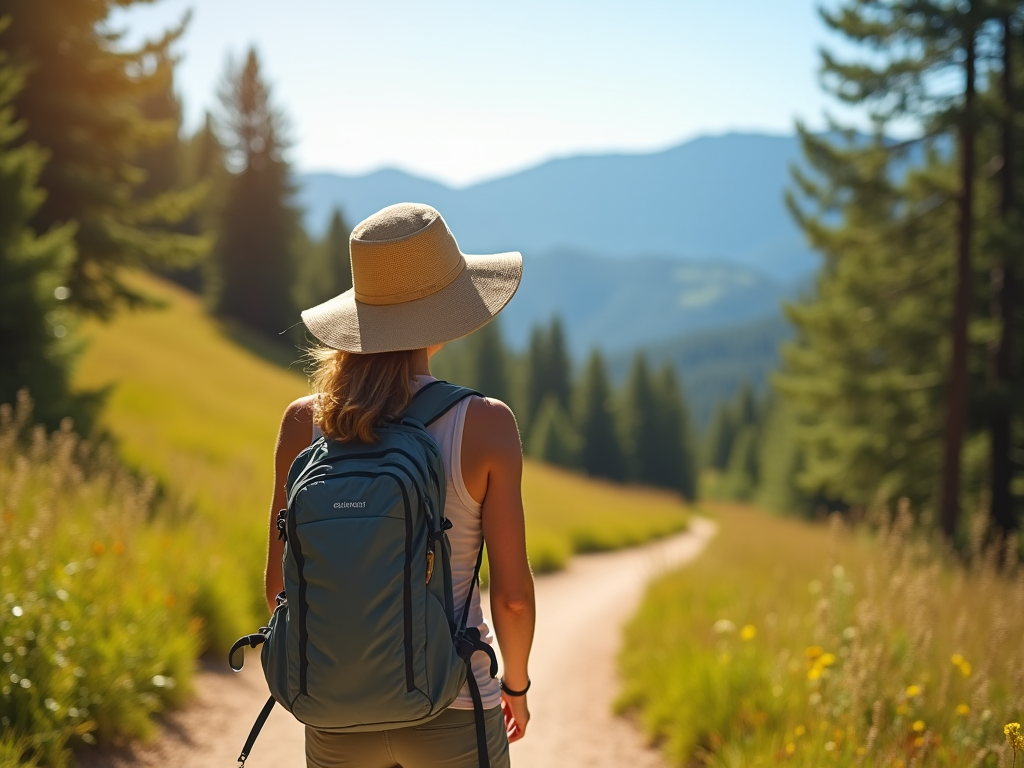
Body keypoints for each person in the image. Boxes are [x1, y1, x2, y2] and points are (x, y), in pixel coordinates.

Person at [263, 203, 535, 768]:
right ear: (446, 314)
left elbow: (279, 592)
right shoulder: (484, 423)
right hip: (456, 705)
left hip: (335, 713)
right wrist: (515, 685)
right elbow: (511, 595)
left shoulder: (302, 424)